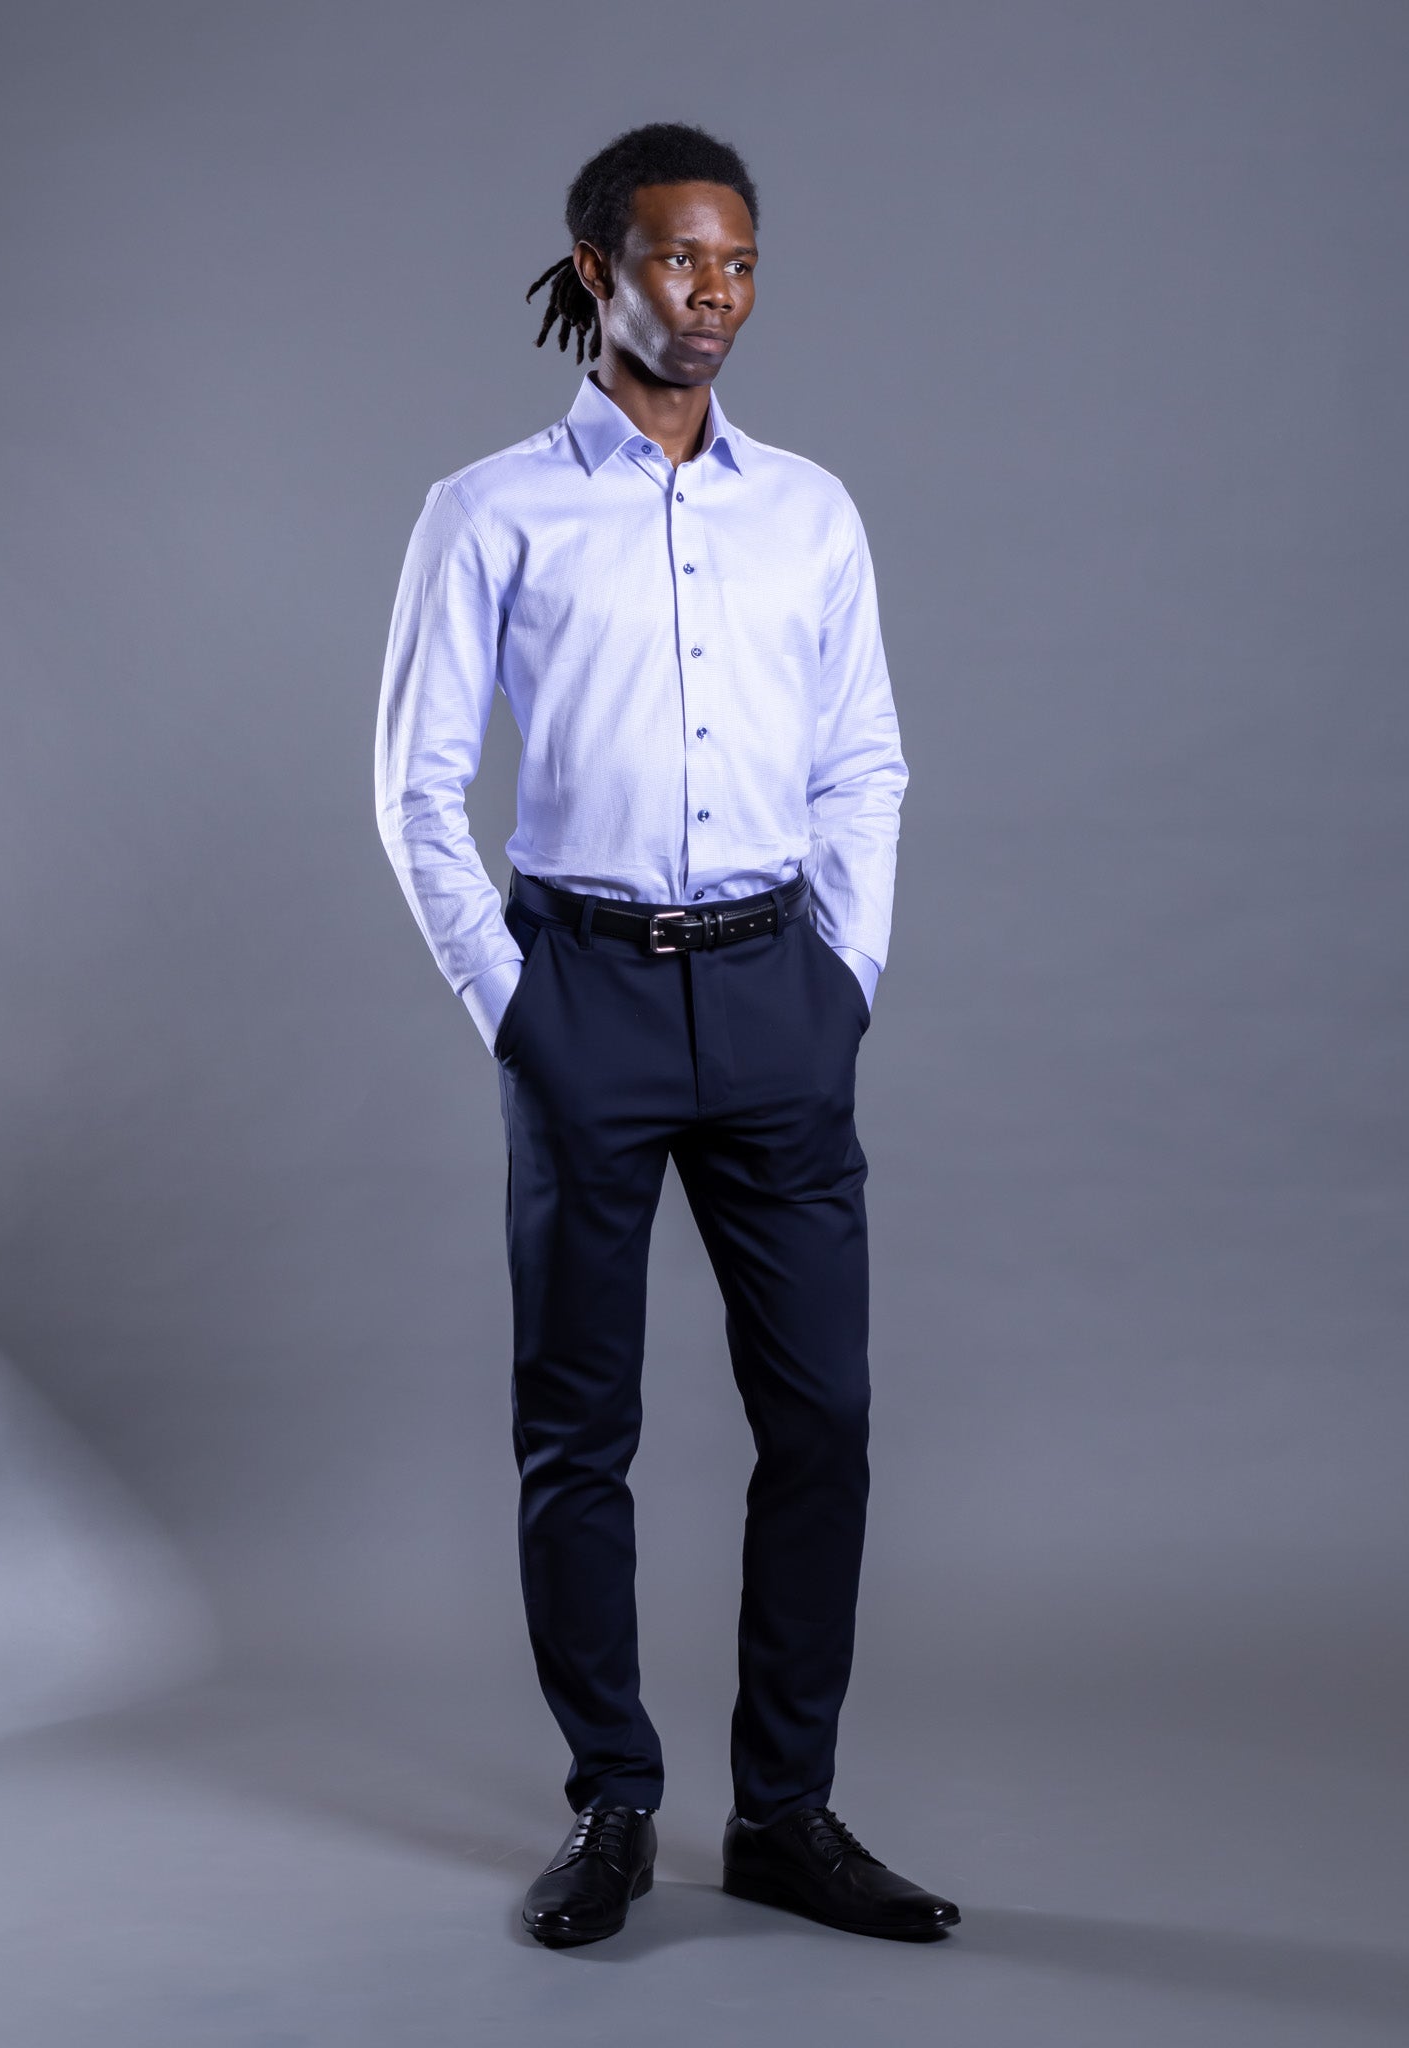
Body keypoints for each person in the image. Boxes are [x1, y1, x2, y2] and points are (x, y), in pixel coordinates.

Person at [375, 121, 958, 1947]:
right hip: (586, 997)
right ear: (594, 273)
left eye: (737, 264)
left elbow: (863, 759)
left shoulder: (811, 511)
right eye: (676, 260)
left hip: (778, 992)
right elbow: (414, 788)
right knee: (579, 1429)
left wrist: (845, 976)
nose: (710, 296)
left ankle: (784, 1813)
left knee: (824, 1418)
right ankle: (612, 1804)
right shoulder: (489, 510)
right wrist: (514, 1008)